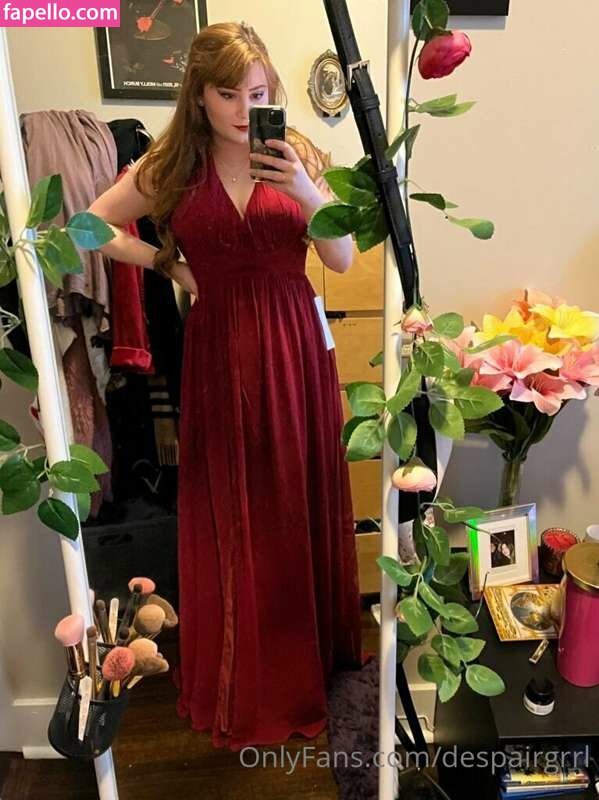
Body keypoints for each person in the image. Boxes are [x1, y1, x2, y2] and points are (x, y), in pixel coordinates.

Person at [88, 21, 364, 752]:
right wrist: (167, 264)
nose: (247, 109)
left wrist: (301, 186)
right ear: (199, 96)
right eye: (229, 94)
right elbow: (88, 225)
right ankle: (246, 669)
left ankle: (305, 661)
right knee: (232, 503)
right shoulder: (175, 164)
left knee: (292, 494)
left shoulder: (295, 153)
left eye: (259, 93)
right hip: (218, 352)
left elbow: (340, 257)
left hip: (294, 345)